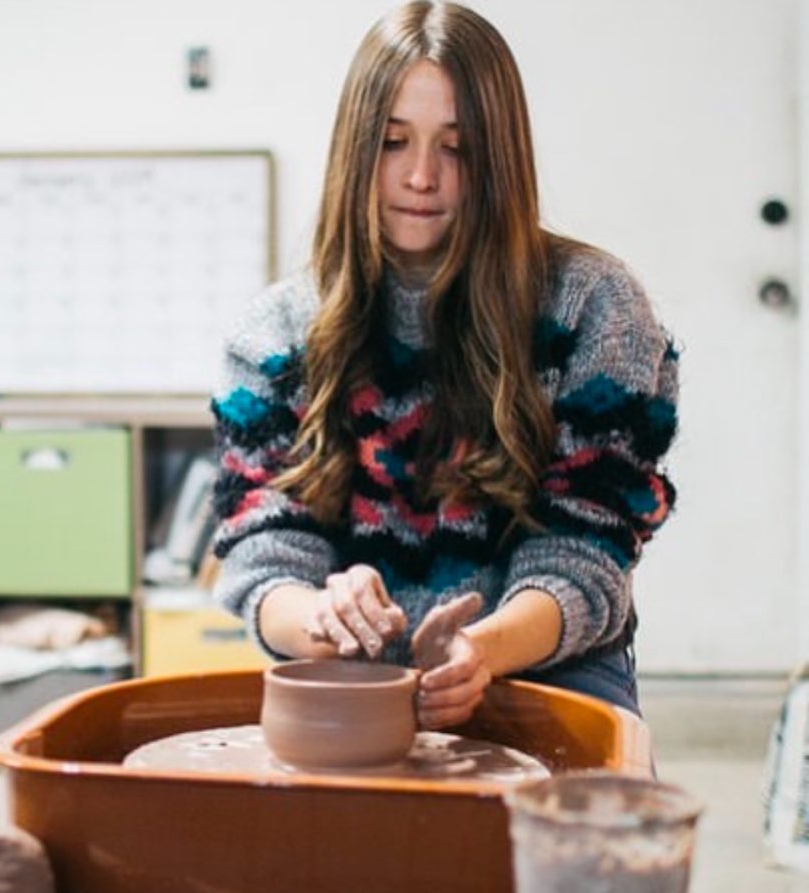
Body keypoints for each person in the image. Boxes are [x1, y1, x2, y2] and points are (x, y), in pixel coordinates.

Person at [210, 0, 678, 729]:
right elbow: (264, 558)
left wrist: (480, 649)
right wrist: (326, 616)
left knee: (580, 838)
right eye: (394, 142)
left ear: (500, 157)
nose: (421, 176)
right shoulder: (274, 332)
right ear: (354, 148)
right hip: (348, 670)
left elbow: (586, 548)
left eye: (456, 148)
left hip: (547, 660)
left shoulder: (595, 306)